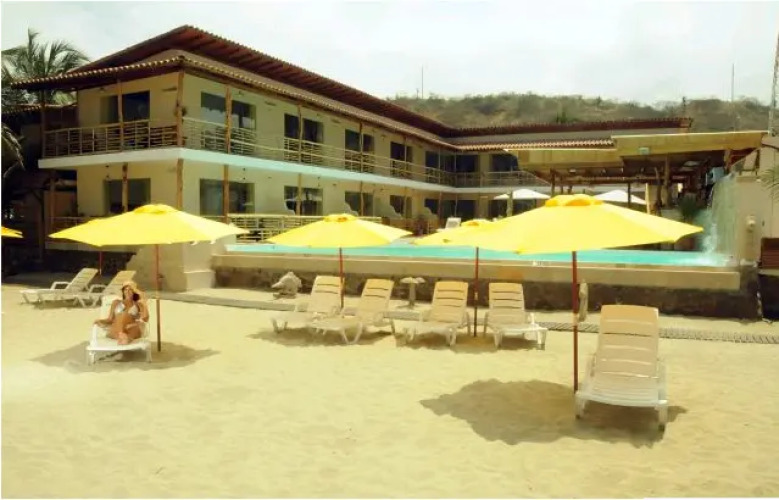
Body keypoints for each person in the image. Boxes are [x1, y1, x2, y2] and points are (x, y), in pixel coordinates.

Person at [93, 281, 149, 345]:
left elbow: (145, 319)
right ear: (123, 291)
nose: (127, 292)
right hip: (117, 329)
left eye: (130, 290)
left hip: (130, 328)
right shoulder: (116, 302)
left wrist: (144, 303)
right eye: (125, 289)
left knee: (132, 328)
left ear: (134, 292)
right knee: (118, 326)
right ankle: (123, 337)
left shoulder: (138, 304)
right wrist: (100, 321)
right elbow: (110, 319)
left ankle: (125, 337)